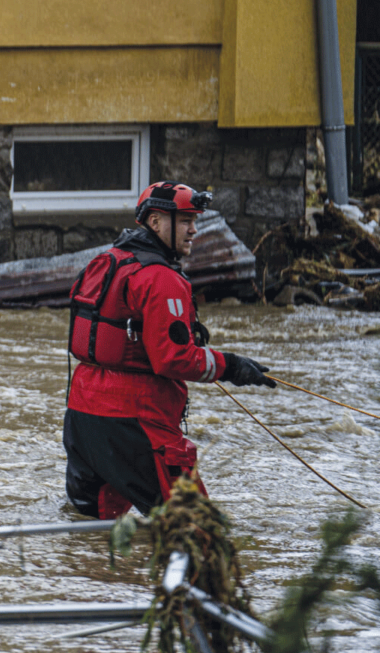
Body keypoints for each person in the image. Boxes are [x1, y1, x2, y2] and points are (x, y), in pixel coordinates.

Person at [63, 181, 276, 519]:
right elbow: (173, 358)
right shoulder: (161, 279)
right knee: (197, 528)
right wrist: (231, 366)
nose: (194, 229)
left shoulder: (106, 261)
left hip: (82, 414)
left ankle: (92, 574)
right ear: (156, 222)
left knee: (92, 528)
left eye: (195, 220)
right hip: (135, 419)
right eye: (186, 221)